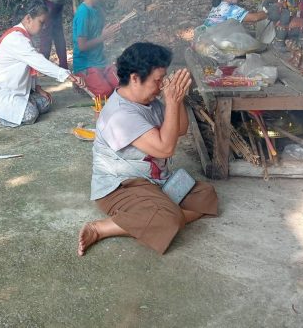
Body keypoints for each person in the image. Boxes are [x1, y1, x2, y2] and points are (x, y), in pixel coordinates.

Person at [78, 43, 218, 256]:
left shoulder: (148, 103)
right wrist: (171, 101)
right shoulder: (120, 114)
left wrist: (176, 100)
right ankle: (101, 228)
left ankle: (157, 219)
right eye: (158, 80)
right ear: (135, 78)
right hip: (121, 187)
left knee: (206, 195)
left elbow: (179, 130)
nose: (162, 86)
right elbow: (165, 149)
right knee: (167, 218)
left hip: (154, 182)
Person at [0, 0, 85, 127]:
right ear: (28, 18)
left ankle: (10, 110)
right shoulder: (16, 39)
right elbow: (38, 61)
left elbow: (30, 67)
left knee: (45, 102)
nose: (44, 27)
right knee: (30, 114)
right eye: (41, 22)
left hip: (12, 90)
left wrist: (38, 89)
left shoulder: (24, 37)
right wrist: (66, 75)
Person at [72, 0, 121, 98]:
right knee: (105, 93)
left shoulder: (97, 10)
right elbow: (82, 46)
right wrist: (103, 37)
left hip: (101, 63)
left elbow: (98, 37)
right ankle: (80, 81)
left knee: (122, 86)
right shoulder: (83, 13)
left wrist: (110, 33)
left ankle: (95, 80)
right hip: (86, 65)